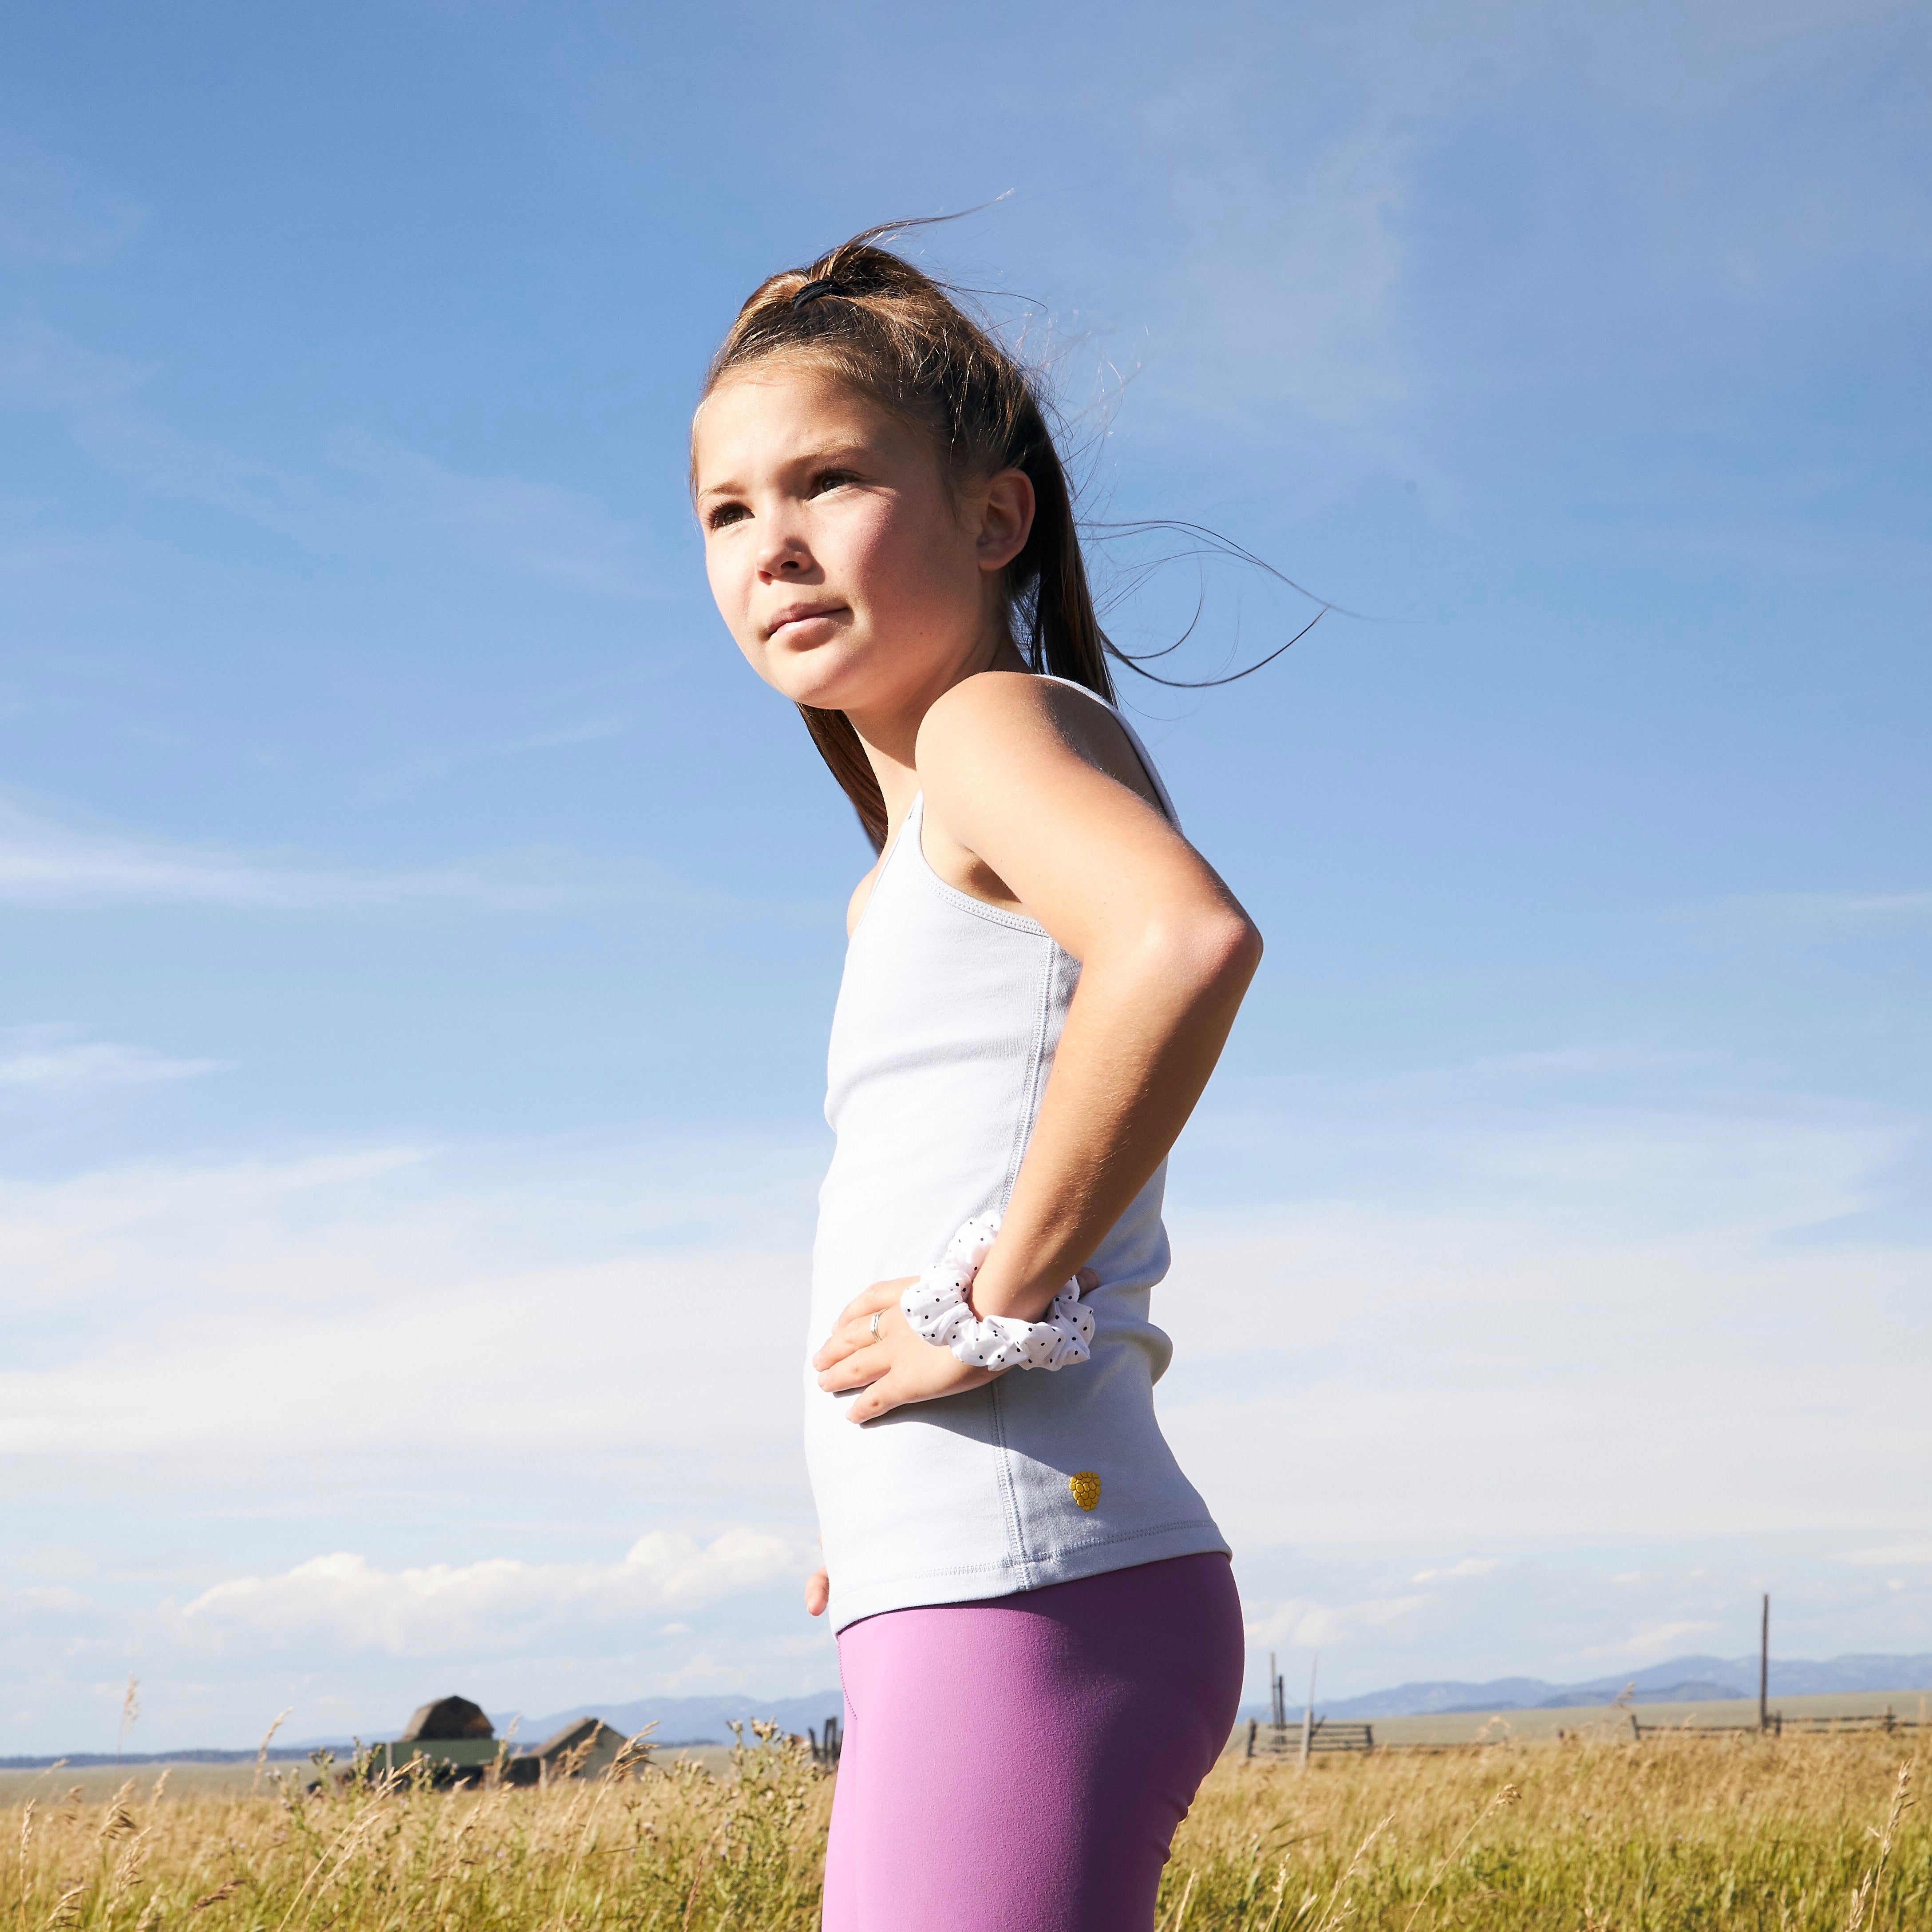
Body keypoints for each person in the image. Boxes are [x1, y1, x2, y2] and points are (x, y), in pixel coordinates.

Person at [691, 225, 1263, 1932]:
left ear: (994, 515)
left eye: (832, 480)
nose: (771, 545)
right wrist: (880, 1507)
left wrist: (985, 1305)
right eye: (725, 509)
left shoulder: (991, 727)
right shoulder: (907, 854)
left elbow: (1184, 944)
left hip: (1027, 1580)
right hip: (978, 1573)